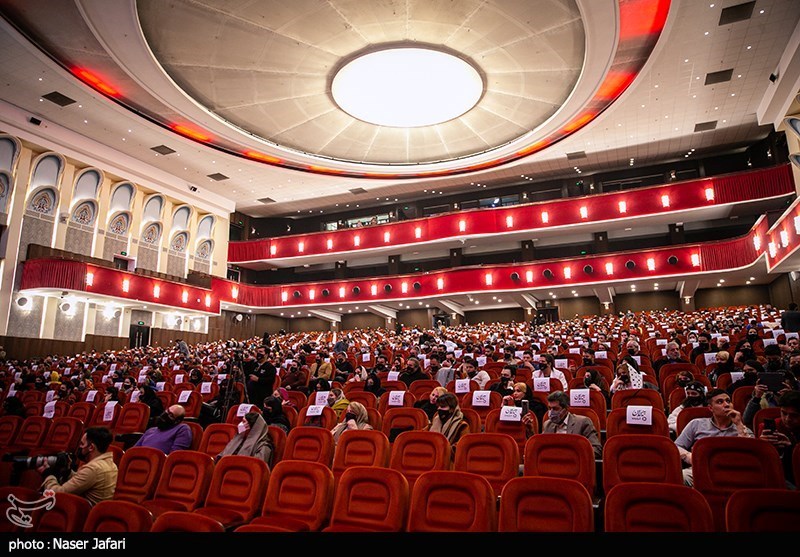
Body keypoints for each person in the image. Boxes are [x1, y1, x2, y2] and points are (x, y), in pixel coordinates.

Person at [674, 388, 753, 486]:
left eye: (728, 401)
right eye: (720, 402)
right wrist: (690, 457)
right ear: (711, 408)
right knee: (681, 476)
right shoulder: (696, 424)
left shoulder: (741, 428)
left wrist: (739, 425)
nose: (726, 405)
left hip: (733, 471)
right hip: (702, 469)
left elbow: (752, 453)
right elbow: (676, 446)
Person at [38, 427, 117, 506]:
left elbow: (57, 494)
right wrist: (68, 472)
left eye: (82, 444)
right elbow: (84, 481)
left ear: (91, 447)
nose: (79, 447)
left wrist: (48, 474)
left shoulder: (93, 469)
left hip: (83, 512)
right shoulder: (111, 465)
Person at [537, 391, 602, 458]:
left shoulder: (582, 422)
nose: (551, 412)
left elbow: (596, 449)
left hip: (574, 462)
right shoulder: (547, 424)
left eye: (555, 409)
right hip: (553, 461)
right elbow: (540, 448)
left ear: (566, 409)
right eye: (549, 408)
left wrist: (576, 456)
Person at [758, 390, 800, 485]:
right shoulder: (769, 428)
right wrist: (761, 447)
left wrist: (792, 449)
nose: (787, 419)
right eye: (784, 413)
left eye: (794, 415)